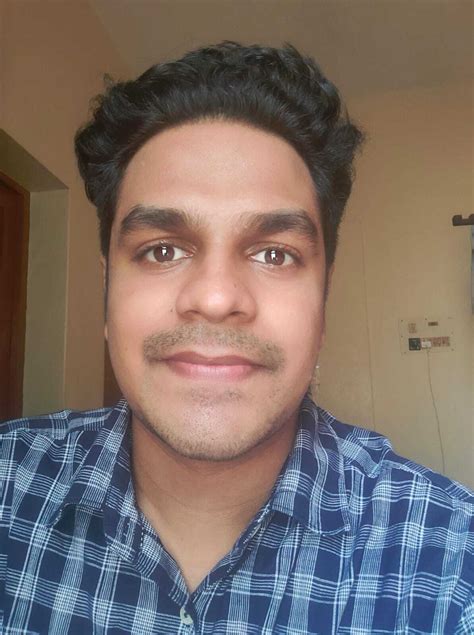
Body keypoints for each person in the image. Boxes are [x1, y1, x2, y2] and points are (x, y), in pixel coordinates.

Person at [1, 42, 472, 634]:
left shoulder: (450, 562)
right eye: (162, 250)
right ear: (107, 290)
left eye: (274, 254)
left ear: (323, 300)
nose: (217, 297)